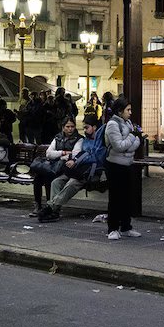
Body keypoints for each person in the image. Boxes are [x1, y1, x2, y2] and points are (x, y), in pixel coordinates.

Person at [38, 115, 107, 222]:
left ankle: (51, 207)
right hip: (78, 170)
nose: (84, 130)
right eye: (84, 128)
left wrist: (79, 159)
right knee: (56, 182)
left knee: (72, 183)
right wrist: (79, 158)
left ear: (94, 127)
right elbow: (79, 155)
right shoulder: (85, 140)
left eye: (86, 127)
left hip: (89, 173)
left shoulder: (101, 143)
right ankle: (55, 212)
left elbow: (96, 158)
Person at [103, 96, 143, 240]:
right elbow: (119, 146)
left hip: (127, 164)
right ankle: (112, 228)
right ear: (120, 111)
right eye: (128, 110)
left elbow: (136, 142)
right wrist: (131, 137)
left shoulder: (128, 123)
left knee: (127, 197)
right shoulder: (112, 125)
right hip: (114, 165)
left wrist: (130, 143)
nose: (130, 113)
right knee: (115, 198)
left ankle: (126, 227)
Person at [33, 117, 80, 212]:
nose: (70, 129)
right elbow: (48, 153)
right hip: (54, 165)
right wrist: (63, 153)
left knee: (49, 177)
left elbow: (74, 155)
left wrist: (58, 155)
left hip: (65, 168)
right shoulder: (58, 137)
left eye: (72, 126)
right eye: (67, 126)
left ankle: (49, 205)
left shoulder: (79, 139)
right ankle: (38, 204)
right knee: (38, 178)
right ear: (63, 127)